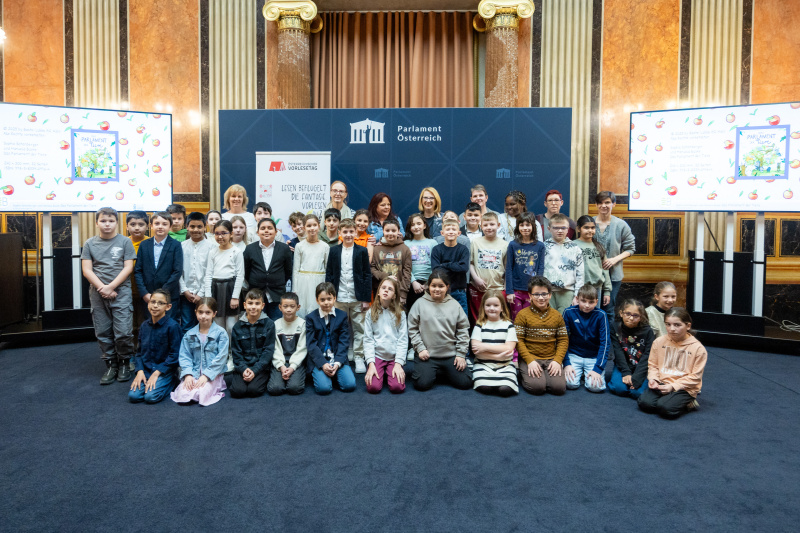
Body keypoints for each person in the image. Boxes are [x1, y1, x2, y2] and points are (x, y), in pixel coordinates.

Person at [81, 207, 137, 384]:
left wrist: (111, 286)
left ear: (117, 223)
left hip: (121, 291)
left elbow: (128, 267)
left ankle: (124, 363)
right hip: (98, 293)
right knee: (103, 331)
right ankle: (111, 364)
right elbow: (87, 270)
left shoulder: (125, 242)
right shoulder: (90, 243)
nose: (107, 224)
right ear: (97, 222)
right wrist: (102, 288)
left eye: (111, 221)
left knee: (123, 332)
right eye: (103, 221)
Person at [409, 270, 472, 391]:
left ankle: (445, 370)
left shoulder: (455, 305)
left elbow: (463, 329)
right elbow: (412, 328)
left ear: (447, 287)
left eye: (441, 286)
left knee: (466, 382)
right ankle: (434, 371)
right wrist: (420, 348)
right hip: (427, 355)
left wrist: (461, 354)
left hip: (450, 355)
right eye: (434, 286)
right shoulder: (419, 304)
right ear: (429, 286)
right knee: (422, 384)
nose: (437, 289)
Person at [638, 307, 706, 418]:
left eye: (677, 325)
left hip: (684, 387)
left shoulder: (698, 349)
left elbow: (695, 377)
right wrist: (653, 378)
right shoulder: (659, 342)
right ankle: (669, 399)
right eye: (668, 324)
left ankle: (689, 402)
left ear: (688, 326)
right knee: (645, 404)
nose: (672, 329)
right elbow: (653, 365)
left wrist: (673, 386)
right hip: (663, 382)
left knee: (665, 408)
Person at [514, 276, 568, 395]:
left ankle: (545, 377)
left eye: (544, 294)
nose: (541, 298)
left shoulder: (557, 315)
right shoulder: (522, 315)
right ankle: (527, 375)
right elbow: (519, 341)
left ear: (550, 295)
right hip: (530, 358)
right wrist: (530, 361)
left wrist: (558, 360)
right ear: (530, 296)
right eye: (536, 294)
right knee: (537, 388)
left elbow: (563, 340)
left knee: (558, 388)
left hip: (550, 358)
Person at [171, 297, 229, 406]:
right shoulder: (189, 334)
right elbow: (185, 356)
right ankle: (191, 384)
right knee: (182, 394)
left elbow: (221, 358)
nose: (203, 316)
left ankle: (210, 387)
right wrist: (188, 375)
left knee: (201, 393)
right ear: (195, 312)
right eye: (200, 312)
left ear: (214, 314)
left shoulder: (221, 333)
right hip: (194, 372)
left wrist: (206, 375)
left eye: (208, 313)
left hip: (212, 374)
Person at [128, 288, 181, 404]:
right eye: (153, 302)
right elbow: (139, 353)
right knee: (133, 396)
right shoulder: (144, 326)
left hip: (164, 370)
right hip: (146, 369)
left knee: (150, 397)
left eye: (160, 303)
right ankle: (153, 383)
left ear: (168, 307)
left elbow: (175, 355)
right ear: (148, 303)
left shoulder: (173, 327)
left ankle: (172, 382)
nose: (155, 306)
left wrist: (157, 373)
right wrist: (140, 371)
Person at [305, 282, 356, 394]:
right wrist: (323, 364)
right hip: (319, 359)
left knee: (349, 385)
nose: (326, 302)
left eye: (329, 299)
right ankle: (326, 374)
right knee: (324, 389)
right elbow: (311, 344)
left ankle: (335, 372)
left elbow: (344, 341)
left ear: (334, 298)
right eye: (322, 300)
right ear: (317, 300)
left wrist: (337, 363)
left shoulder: (342, 316)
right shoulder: (310, 318)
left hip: (337, 357)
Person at [225, 289, 275, 398]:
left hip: (260, 366)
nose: (253, 307)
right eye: (250, 303)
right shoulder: (237, 327)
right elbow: (236, 352)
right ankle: (244, 376)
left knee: (254, 390)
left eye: (257, 304)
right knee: (237, 391)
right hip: (243, 366)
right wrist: (243, 369)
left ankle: (262, 378)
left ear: (262, 306)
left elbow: (268, 351)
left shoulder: (269, 324)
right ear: (244, 305)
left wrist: (255, 370)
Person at [134, 211, 183, 321]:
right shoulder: (144, 244)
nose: (160, 227)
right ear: (151, 226)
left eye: (164, 224)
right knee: (150, 325)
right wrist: (144, 293)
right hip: (148, 296)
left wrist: (162, 293)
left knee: (169, 327)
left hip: (168, 296)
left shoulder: (176, 245)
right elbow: (138, 270)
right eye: (157, 223)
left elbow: (177, 271)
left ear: (170, 226)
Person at [243, 218, 293, 321]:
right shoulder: (250, 249)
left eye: (270, 228)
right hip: (256, 295)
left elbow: (288, 271)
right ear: (258, 232)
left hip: (277, 294)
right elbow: (246, 271)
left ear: (276, 232)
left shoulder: (284, 248)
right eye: (263, 228)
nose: (266, 231)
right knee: (257, 323)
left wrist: (277, 281)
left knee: (276, 323)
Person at [562, 285, 610, 393]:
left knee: (596, 387)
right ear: (577, 299)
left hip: (593, 357)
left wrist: (598, 369)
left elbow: (605, 343)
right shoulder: (568, 312)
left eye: (591, 302)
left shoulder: (601, 315)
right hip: (574, 354)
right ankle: (581, 373)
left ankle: (587, 373)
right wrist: (566, 363)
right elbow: (562, 339)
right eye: (583, 301)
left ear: (596, 301)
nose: (587, 305)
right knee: (570, 384)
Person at [364, 278, 408, 394]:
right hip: (377, 356)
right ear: (378, 292)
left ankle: (390, 371)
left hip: (393, 357)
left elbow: (403, 340)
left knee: (397, 387)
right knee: (373, 387)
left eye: (390, 289)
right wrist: (371, 364)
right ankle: (380, 371)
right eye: (383, 288)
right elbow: (368, 340)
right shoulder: (370, 312)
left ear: (394, 295)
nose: (386, 291)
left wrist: (398, 363)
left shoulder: (401, 314)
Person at [471, 290, 519, 396]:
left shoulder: (509, 325)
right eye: (488, 305)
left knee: (505, 390)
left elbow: (509, 349)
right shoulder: (479, 325)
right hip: (483, 364)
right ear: (483, 307)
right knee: (484, 388)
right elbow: (476, 351)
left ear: (502, 307)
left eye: (496, 305)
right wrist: (499, 356)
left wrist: (484, 346)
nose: (492, 308)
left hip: (505, 365)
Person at [594, 191, 635, 310]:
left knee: (609, 308)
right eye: (600, 203)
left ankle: (609, 330)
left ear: (614, 204)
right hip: (591, 274)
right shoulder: (589, 223)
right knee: (591, 307)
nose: (603, 206)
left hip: (613, 274)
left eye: (607, 202)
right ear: (596, 205)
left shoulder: (621, 225)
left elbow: (631, 249)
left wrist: (614, 259)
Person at [203, 220, 244, 335]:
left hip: (230, 289)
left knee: (231, 326)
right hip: (215, 289)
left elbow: (240, 275)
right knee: (218, 325)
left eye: (224, 233)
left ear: (231, 234)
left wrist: (235, 297)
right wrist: (208, 297)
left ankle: (231, 352)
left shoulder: (237, 251)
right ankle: (221, 351)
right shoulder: (213, 252)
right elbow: (208, 275)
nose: (220, 236)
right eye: (217, 233)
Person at [607, 298, 654, 399]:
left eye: (635, 315)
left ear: (641, 317)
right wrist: (626, 372)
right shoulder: (615, 327)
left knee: (637, 393)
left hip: (641, 367)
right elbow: (618, 351)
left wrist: (637, 377)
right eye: (627, 314)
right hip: (623, 364)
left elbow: (647, 355)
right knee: (619, 388)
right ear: (621, 313)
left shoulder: (648, 331)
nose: (631, 318)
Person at [505, 211, 545, 320]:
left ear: (533, 226)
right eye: (521, 225)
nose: (525, 228)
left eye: (528, 225)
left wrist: (538, 290)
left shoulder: (540, 246)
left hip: (532, 291)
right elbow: (508, 268)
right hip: (515, 291)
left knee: (530, 318)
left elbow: (540, 269)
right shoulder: (513, 245)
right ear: (518, 227)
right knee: (517, 319)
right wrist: (509, 291)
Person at [469, 212, 508, 323]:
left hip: (498, 289)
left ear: (498, 225)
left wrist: (505, 288)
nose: (489, 228)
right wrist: (476, 279)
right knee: (479, 320)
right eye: (485, 225)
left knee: (497, 319)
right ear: (481, 226)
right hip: (479, 288)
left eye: (492, 224)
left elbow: (507, 268)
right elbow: (470, 263)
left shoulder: (505, 244)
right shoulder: (475, 242)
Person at [179, 212, 214, 335]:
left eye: (199, 227)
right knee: (186, 325)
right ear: (187, 227)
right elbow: (178, 272)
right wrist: (185, 291)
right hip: (185, 295)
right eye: (192, 226)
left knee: (205, 324)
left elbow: (210, 272)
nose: (196, 230)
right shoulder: (181, 246)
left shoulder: (212, 247)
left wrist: (200, 293)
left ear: (205, 227)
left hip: (204, 294)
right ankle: (188, 353)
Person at [267, 292, 308, 396]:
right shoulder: (275, 324)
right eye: (285, 306)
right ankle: (281, 375)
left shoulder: (302, 324)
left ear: (298, 307)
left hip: (296, 363)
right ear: (280, 307)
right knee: (275, 389)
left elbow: (302, 349)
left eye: (292, 306)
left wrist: (292, 367)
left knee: (294, 388)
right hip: (280, 362)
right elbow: (274, 348)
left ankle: (294, 375)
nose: (288, 309)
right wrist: (281, 367)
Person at [543, 213, 584, 313]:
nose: (560, 231)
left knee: (564, 321)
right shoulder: (543, 247)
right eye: (556, 228)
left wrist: (577, 295)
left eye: (563, 228)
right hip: (547, 291)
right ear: (549, 229)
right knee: (548, 320)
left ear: (568, 229)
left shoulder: (575, 248)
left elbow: (580, 274)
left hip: (567, 291)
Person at [292, 214, 329, 318]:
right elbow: (296, 269)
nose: (312, 228)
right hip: (302, 282)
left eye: (314, 225)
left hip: (319, 281)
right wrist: (295, 289)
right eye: (309, 226)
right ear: (304, 228)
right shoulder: (299, 246)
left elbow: (327, 268)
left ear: (319, 226)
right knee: (303, 309)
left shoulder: (325, 246)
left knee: (318, 310)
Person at [432, 218, 470, 317]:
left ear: (459, 233)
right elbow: (436, 271)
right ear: (442, 233)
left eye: (454, 229)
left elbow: (464, 268)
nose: (451, 232)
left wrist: (445, 265)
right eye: (448, 229)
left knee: (462, 321)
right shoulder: (436, 249)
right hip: (441, 292)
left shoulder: (463, 249)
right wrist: (455, 266)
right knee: (442, 320)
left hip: (459, 291)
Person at [574, 215, 612, 314]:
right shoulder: (572, 245)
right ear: (578, 229)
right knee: (578, 315)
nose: (590, 230)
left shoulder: (599, 246)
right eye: (586, 227)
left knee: (594, 315)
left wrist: (607, 291)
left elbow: (605, 269)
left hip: (596, 287)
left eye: (592, 228)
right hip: (579, 288)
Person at [370, 219, 412, 304]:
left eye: (393, 230)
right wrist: (386, 276)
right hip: (380, 293)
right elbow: (372, 268)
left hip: (398, 293)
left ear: (398, 231)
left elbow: (407, 272)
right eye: (387, 230)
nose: (390, 233)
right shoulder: (376, 249)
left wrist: (403, 294)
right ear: (383, 231)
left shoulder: (405, 249)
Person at [404, 213, 438, 312]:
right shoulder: (406, 244)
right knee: (413, 313)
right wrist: (413, 282)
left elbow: (436, 265)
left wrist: (429, 283)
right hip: (412, 284)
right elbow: (404, 266)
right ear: (409, 228)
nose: (416, 227)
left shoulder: (432, 243)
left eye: (419, 223)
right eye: (413, 225)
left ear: (424, 225)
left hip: (429, 284)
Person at [126, 210, 149, 360]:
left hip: (145, 291)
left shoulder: (150, 243)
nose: (137, 228)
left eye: (141, 224)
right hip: (126, 291)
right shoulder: (124, 243)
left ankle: (142, 351)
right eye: (133, 224)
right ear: (127, 226)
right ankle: (131, 352)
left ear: (147, 226)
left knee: (143, 322)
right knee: (129, 325)